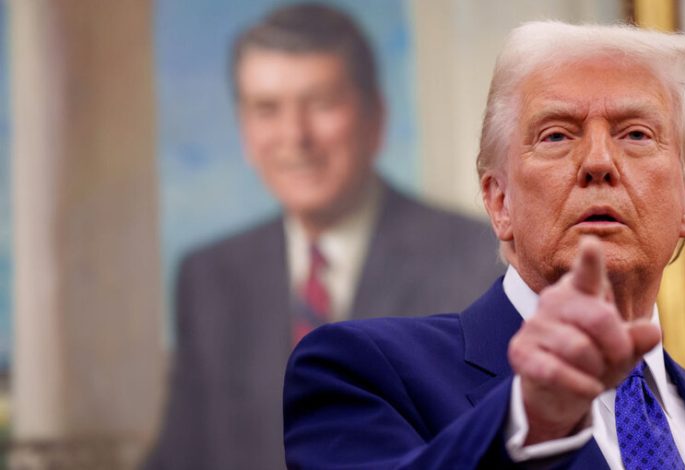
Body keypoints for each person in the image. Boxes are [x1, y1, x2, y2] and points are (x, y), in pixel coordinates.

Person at [283, 21, 685, 469]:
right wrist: (528, 422)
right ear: (499, 201)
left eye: (635, 134)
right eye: (557, 136)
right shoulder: (363, 372)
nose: (599, 162)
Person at [145, 3, 502, 469]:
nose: (295, 136)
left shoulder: (475, 255)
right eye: (267, 109)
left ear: (375, 118)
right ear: (244, 129)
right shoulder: (209, 277)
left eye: (321, 104)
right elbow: (181, 456)